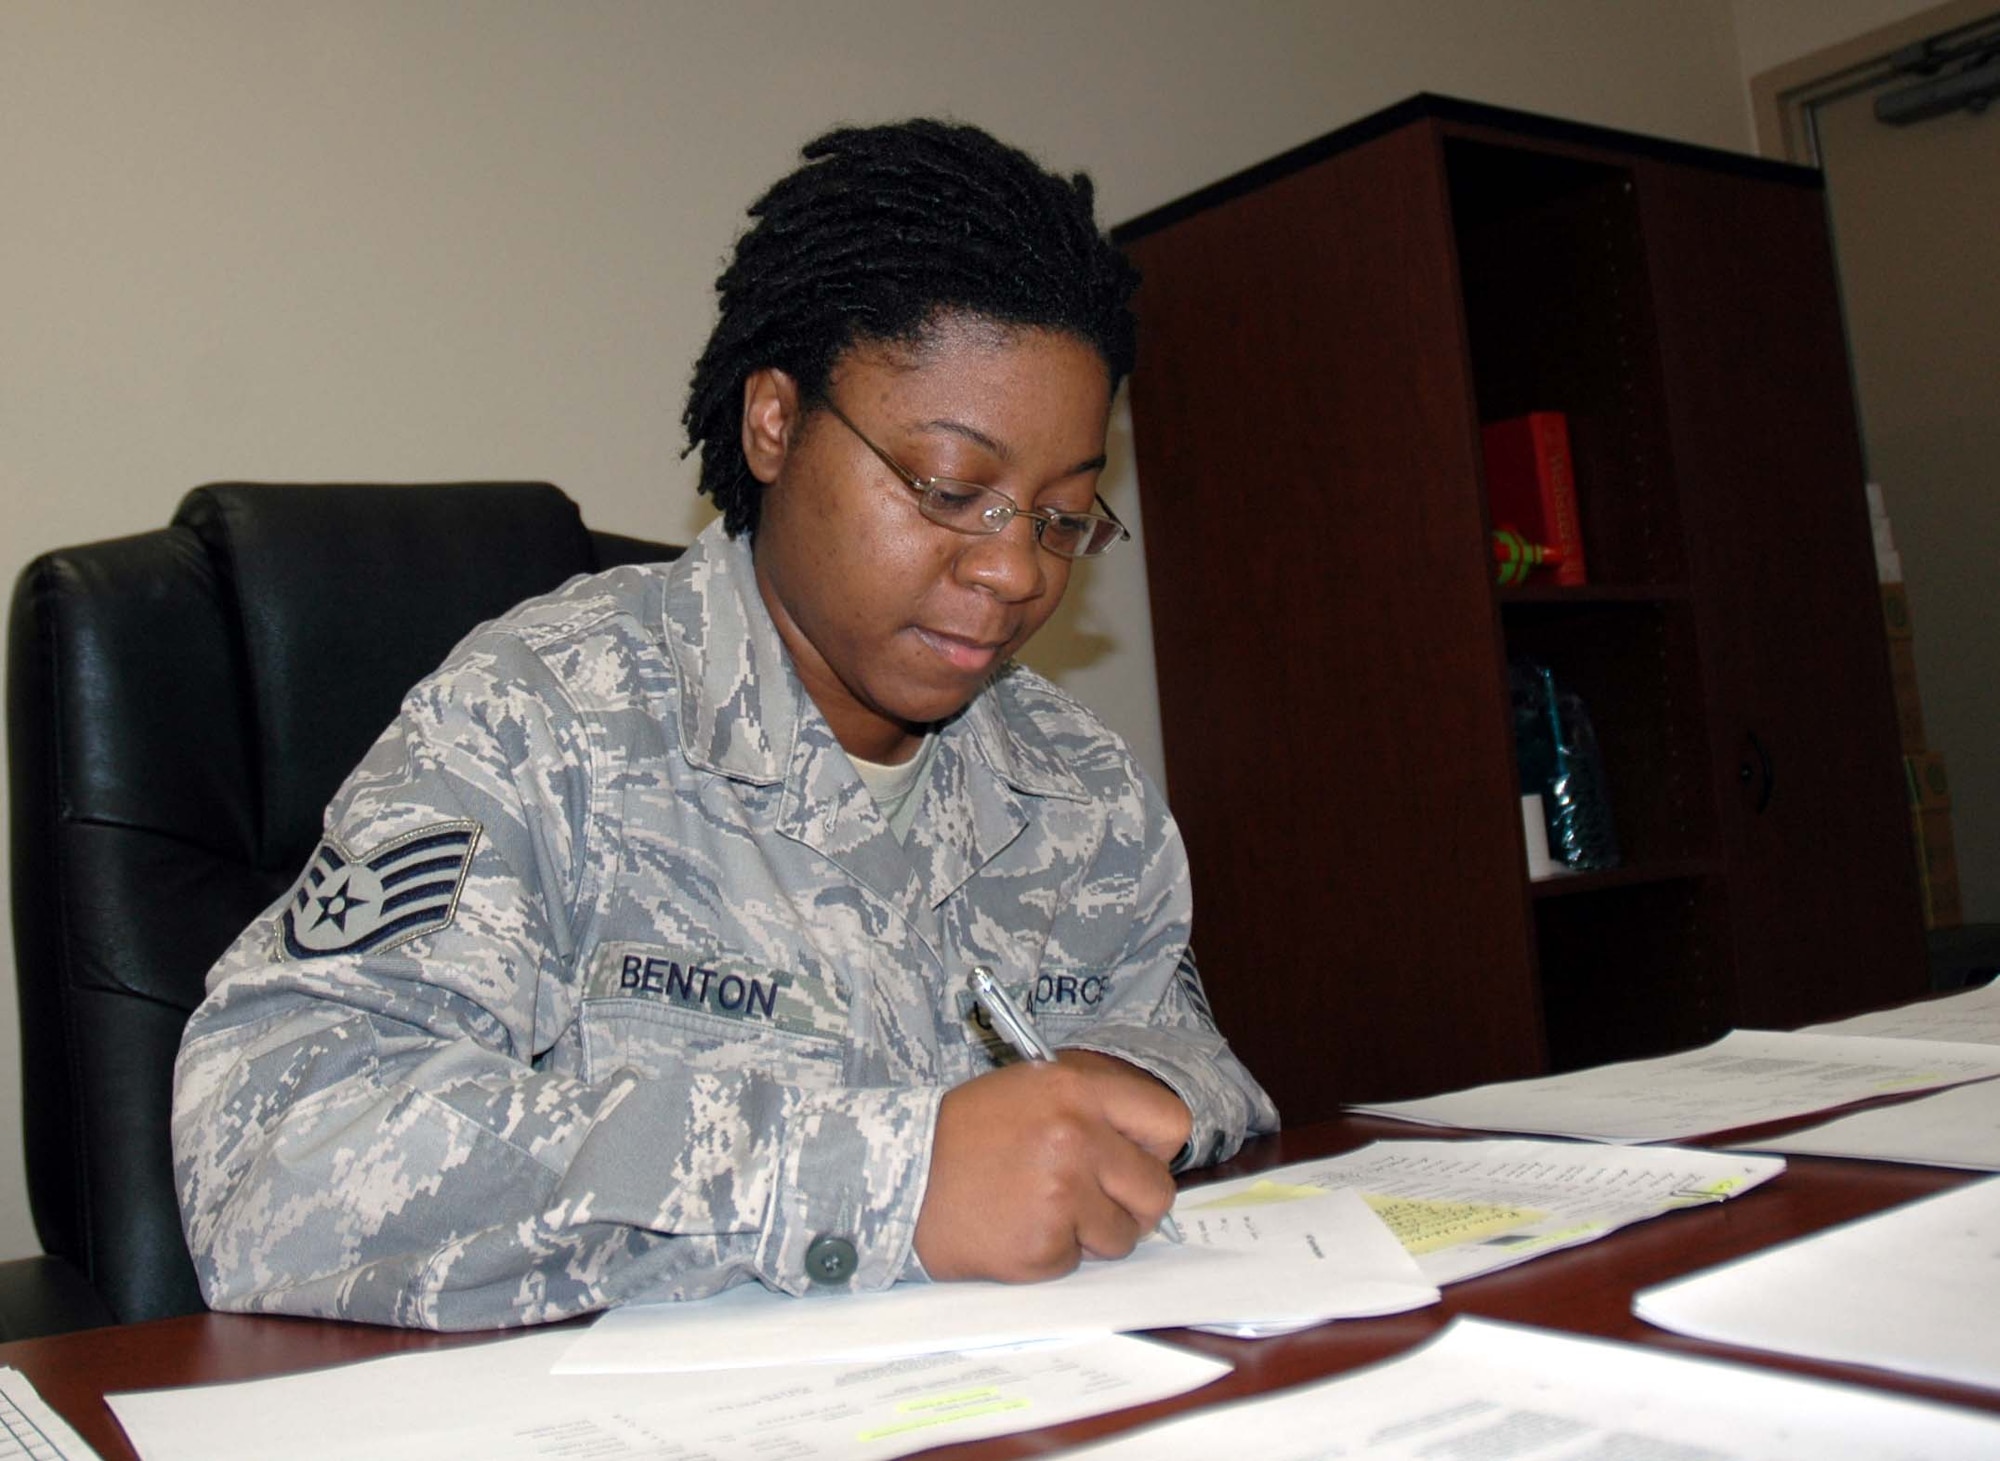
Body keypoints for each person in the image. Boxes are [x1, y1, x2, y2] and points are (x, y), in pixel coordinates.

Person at [171, 118, 1277, 1331]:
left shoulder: (1076, 781)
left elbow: (1178, 1046)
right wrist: (879, 1181)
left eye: (1060, 517)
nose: (1013, 570)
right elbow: (276, 1153)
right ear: (772, 424)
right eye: (951, 492)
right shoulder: (543, 716)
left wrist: (1130, 1087)